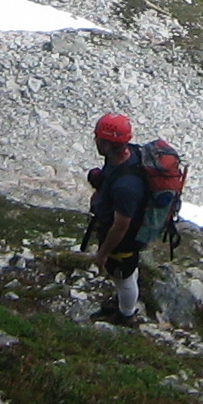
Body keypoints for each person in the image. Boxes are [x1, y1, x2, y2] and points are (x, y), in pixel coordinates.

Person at [85, 112, 147, 326]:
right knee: (127, 271)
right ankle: (124, 303)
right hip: (130, 228)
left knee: (122, 275)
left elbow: (120, 226)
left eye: (99, 138)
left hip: (125, 238)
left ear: (108, 143)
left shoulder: (126, 187)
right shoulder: (131, 153)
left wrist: (102, 254)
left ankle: (126, 315)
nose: (95, 141)